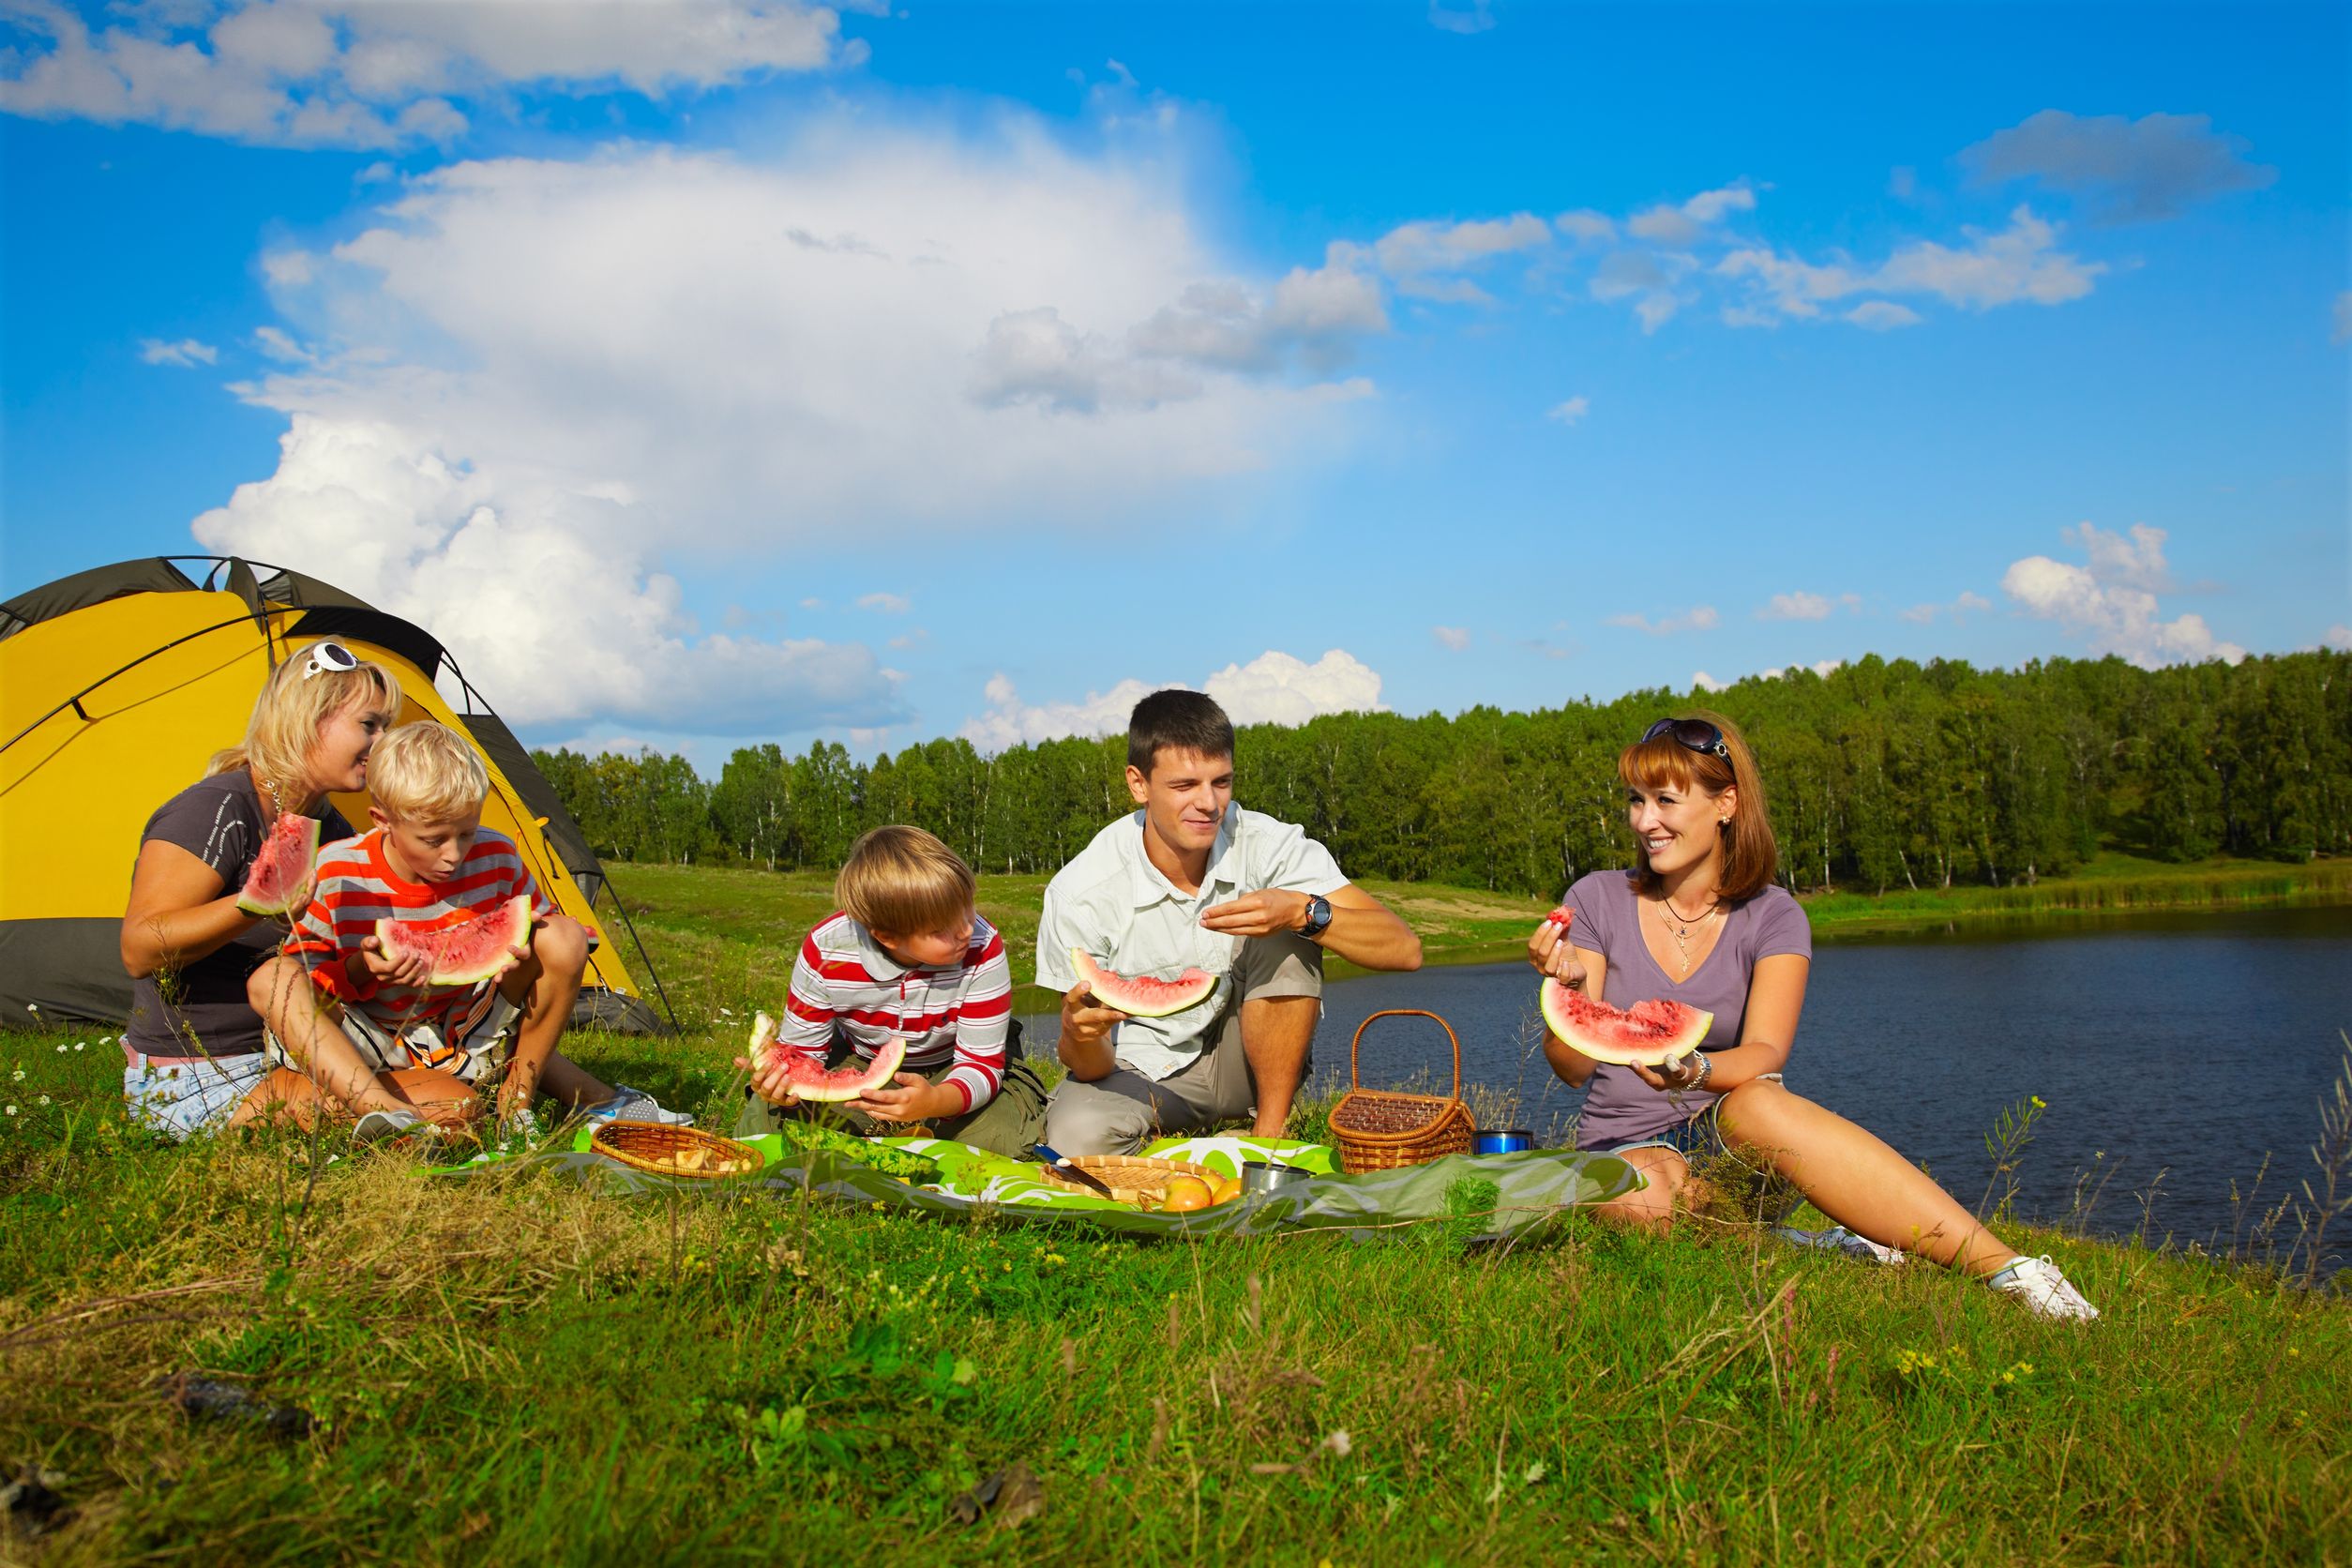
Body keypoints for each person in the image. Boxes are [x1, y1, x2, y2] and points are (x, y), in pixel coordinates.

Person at [1530, 712, 2100, 1320]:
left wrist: (1693, 1071)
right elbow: (1571, 1068)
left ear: (1726, 803)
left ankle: (2013, 1272)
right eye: (1635, 801)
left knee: (1758, 1099)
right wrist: (1574, 992)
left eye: (1665, 801)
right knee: (1637, 1204)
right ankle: (1801, 1246)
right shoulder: (1595, 899)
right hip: (1627, 1146)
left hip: (1737, 1140)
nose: (1645, 821)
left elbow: (1766, 1052)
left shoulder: (1775, 916)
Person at [245, 719, 683, 1138]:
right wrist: (362, 968)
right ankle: (382, 1111)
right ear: (383, 820)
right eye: (433, 840)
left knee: (566, 936)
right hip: (366, 1033)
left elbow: (546, 934)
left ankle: (517, 1106)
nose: (454, 855)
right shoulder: (339, 871)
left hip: (463, 1028)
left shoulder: (497, 855)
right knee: (273, 977)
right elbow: (310, 984)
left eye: (467, 834)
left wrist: (521, 957)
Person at [1036, 689, 1424, 1156]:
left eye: (1221, 782)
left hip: (1256, 1067)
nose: (1209, 804)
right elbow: (1093, 1066)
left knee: (1290, 926)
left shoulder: (1268, 843)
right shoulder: (1080, 890)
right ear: (1138, 784)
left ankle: (1268, 1140)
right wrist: (1077, 1036)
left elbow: (1405, 949)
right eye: (1185, 786)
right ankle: (1197, 1155)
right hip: (1144, 1073)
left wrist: (1304, 911)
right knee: (1075, 1136)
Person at [117, 640, 390, 1138]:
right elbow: (139, 949)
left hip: (295, 1057)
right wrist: (254, 906)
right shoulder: (216, 810)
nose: (382, 743)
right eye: (369, 725)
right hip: (195, 1077)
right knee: (419, 1105)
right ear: (311, 719)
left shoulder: (330, 827)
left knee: (453, 1099)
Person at [734, 825, 1048, 1155]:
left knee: (1003, 1139)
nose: (967, 930)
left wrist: (936, 1101)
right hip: (862, 1058)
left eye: (967, 907)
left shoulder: (984, 944)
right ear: (887, 937)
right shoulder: (827, 949)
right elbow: (803, 1055)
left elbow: (981, 1065)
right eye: (942, 929)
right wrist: (779, 1083)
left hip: (957, 1065)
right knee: (767, 1122)